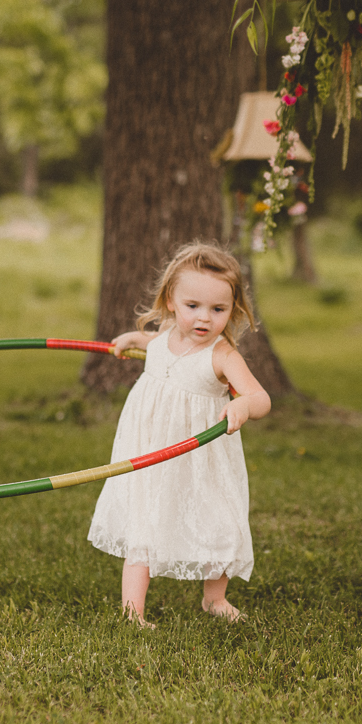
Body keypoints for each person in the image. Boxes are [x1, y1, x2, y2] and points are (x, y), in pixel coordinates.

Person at [87, 242, 271, 628]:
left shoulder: (222, 356)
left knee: (218, 518)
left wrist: (242, 406)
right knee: (146, 518)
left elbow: (260, 397)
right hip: (152, 449)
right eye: (193, 306)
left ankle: (214, 598)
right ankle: (132, 611)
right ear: (171, 301)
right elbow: (155, 345)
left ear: (232, 310)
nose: (204, 318)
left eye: (218, 310)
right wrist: (134, 339)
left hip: (202, 456)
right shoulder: (167, 335)